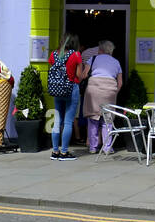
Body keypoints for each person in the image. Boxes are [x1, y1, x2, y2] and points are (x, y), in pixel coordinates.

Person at [48, 33, 87, 161]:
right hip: (71, 89)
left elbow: (52, 70)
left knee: (57, 121)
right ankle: (64, 152)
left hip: (57, 90)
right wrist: (85, 72)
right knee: (68, 121)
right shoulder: (76, 55)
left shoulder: (54, 54)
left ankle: (55, 151)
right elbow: (79, 76)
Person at [84, 40, 124, 155]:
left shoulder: (93, 59)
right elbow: (120, 83)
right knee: (107, 120)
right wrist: (113, 92)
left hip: (94, 90)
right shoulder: (116, 62)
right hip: (109, 91)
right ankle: (107, 147)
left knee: (93, 119)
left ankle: (93, 147)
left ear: (100, 50)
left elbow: (85, 74)